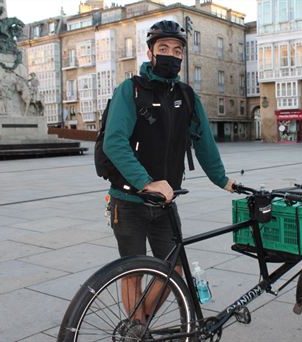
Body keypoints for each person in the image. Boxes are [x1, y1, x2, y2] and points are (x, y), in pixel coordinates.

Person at [102, 20, 235, 324]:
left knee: (172, 271)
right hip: (128, 200)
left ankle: (139, 324)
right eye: (163, 49)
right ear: (150, 53)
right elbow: (114, 142)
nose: (171, 55)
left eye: (177, 50)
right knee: (133, 272)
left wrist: (222, 179)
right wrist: (146, 182)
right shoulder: (130, 90)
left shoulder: (187, 96)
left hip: (164, 203)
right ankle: (136, 329)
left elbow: (204, 142)